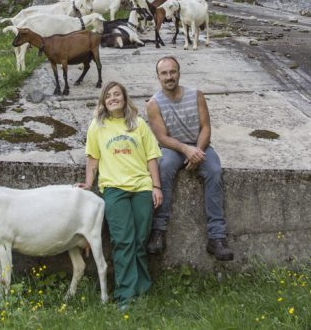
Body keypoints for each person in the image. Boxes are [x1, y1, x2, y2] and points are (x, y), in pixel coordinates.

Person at [78, 81, 163, 309]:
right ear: (103, 101)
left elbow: (151, 157)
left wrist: (156, 187)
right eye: (108, 95)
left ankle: (142, 287)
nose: (113, 98)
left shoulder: (139, 124)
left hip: (142, 188)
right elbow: (92, 158)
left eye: (117, 94)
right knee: (122, 241)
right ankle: (125, 295)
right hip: (114, 189)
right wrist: (88, 183)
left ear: (125, 99)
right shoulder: (97, 126)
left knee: (139, 240)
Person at [145, 55, 234, 261]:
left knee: (214, 170)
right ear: (158, 77)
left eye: (172, 72)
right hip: (173, 147)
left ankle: (217, 237)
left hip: (199, 146)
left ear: (179, 73)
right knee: (164, 167)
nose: (169, 76)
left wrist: (197, 152)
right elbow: (162, 138)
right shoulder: (153, 104)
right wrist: (186, 150)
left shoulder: (196, 95)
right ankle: (158, 231)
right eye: (164, 73)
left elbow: (206, 128)